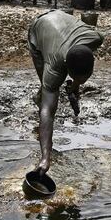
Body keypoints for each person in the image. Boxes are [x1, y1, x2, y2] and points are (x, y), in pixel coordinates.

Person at [27, 10, 104, 175]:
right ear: (66, 70)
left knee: (52, 87)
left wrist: (76, 85)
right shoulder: (55, 67)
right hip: (39, 29)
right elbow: (49, 111)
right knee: (47, 95)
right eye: (76, 78)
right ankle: (39, 98)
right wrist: (45, 159)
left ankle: (56, 90)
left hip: (62, 19)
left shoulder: (95, 39)